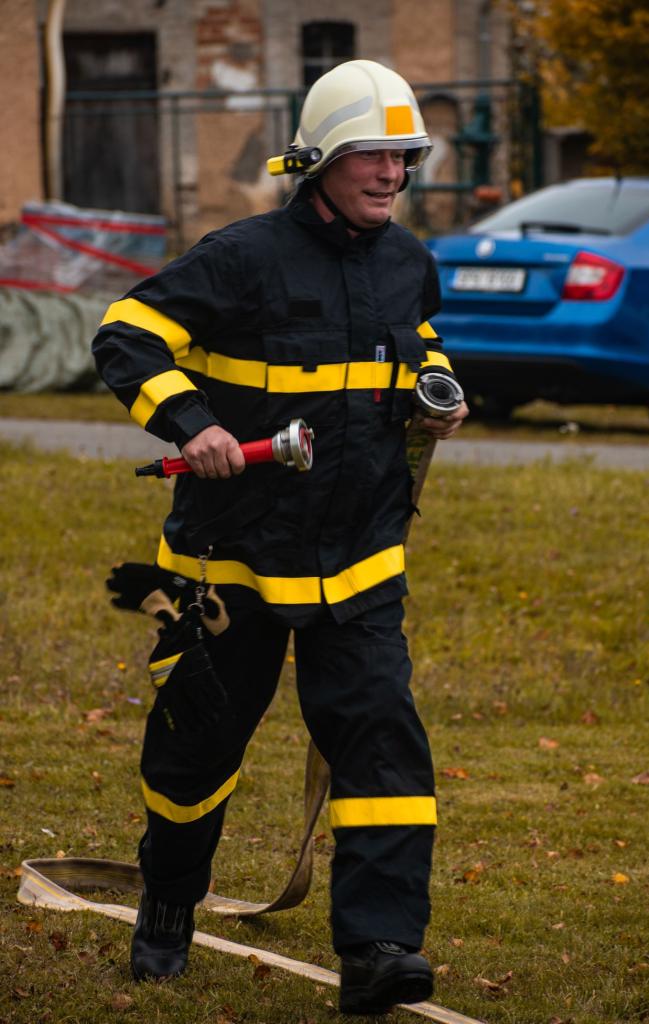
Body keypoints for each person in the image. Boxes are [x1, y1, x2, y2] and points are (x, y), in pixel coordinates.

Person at [92, 58, 468, 1015]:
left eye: (405, 157)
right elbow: (126, 333)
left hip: (358, 566)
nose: (392, 173)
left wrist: (433, 389)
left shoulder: (409, 262)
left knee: (382, 752)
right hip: (228, 565)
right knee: (193, 752)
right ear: (321, 161)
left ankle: (381, 948)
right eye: (373, 155)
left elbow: (414, 342)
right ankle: (169, 899)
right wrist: (192, 425)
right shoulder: (241, 256)